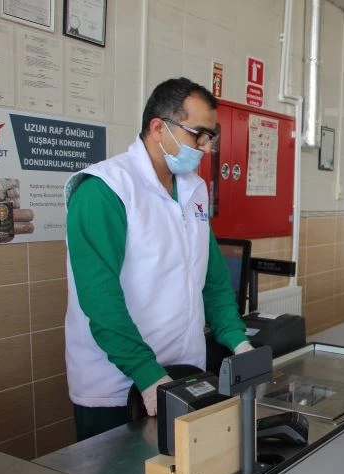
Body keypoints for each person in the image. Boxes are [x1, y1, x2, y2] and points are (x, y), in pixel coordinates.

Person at [64, 77, 253, 441]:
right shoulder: (105, 190)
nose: (206, 148)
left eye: (210, 137)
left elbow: (211, 281)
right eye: (199, 134)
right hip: (118, 387)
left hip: (184, 376)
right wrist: (147, 374)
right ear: (158, 128)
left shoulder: (193, 189)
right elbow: (100, 302)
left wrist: (237, 340)